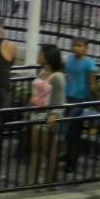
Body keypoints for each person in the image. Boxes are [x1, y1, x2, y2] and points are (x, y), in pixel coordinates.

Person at [28, 45, 65, 185]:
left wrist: (54, 113)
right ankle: (33, 180)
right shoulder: (41, 72)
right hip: (35, 113)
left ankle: (50, 181)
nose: (38, 57)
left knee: (48, 150)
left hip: (47, 115)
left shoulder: (57, 77)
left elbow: (58, 97)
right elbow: (34, 94)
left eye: (41, 55)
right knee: (35, 149)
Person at [62, 37, 98, 170]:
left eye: (79, 46)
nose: (75, 48)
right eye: (73, 45)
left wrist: (96, 99)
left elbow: (91, 84)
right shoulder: (70, 59)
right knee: (67, 129)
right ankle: (69, 154)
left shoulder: (89, 64)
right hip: (68, 98)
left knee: (74, 129)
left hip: (80, 99)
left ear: (86, 48)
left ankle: (72, 160)